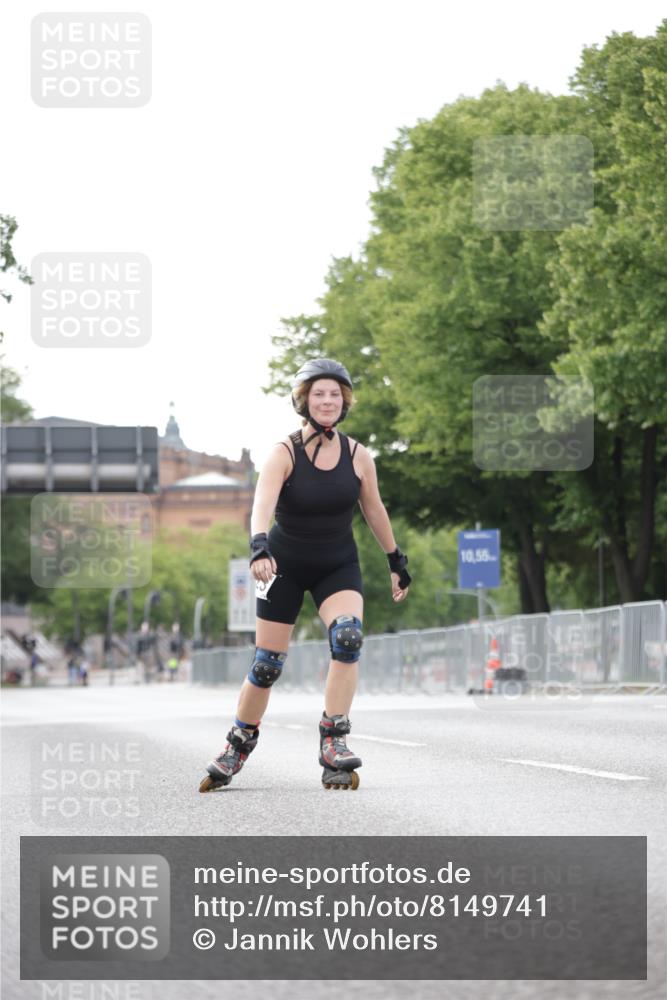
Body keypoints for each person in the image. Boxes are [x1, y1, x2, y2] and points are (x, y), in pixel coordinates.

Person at [200, 358, 411, 792]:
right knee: (267, 665)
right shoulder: (284, 452)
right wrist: (258, 545)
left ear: (345, 401)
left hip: (337, 562)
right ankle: (238, 741)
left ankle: (334, 738)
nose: (328, 400)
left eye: (336, 394)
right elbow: (262, 502)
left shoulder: (358, 455)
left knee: (348, 638)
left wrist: (395, 560)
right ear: (304, 401)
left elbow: (374, 509)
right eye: (320, 393)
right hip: (283, 564)